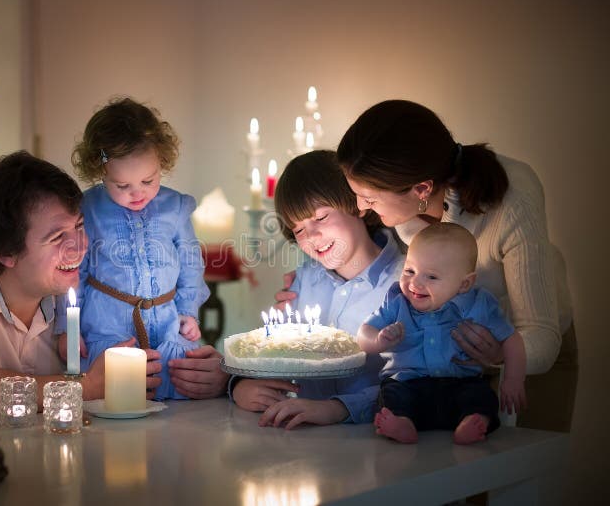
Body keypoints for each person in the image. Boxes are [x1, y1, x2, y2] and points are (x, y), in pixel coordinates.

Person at [337, 99, 576, 432]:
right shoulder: (401, 190)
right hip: (440, 364)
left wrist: (499, 355)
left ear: (422, 188)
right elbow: (365, 244)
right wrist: (323, 273)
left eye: (371, 199)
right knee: (444, 475)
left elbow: (541, 336)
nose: (361, 209)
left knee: (518, 467)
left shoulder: (513, 200)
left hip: (527, 354)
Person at [0, 151, 163, 421]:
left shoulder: (69, 292)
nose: (81, 247)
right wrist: (88, 386)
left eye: (80, 226)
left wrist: (200, 373)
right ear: (5, 251)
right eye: (58, 237)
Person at [231, 150, 405, 429]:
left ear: (356, 204)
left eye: (321, 218)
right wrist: (241, 385)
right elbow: (277, 360)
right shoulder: (303, 281)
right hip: (297, 444)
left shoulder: (406, 282)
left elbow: (415, 381)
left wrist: (338, 408)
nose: (311, 237)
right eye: (298, 230)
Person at [54, 97, 209, 401]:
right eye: (122, 186)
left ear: (161, 163)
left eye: (148, 181)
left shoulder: (174, 208)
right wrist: (67, 329)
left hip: (166, 321)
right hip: (109, 325)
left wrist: (189, 311)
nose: (137, 193)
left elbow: (191, 264)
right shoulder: (90, 209)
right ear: (101, 173)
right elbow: (75, 272)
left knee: (181, 390)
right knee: (115, 398)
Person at [358, 223, 526, 444]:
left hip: (460, 383)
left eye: (432, 277)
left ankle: (472, 422)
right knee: (392, 396)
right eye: (409, 271)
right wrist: (378, 341)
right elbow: (363, 333)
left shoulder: (478, 303)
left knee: (481, 397)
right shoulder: (397, 300)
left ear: (464, 283)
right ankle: (403, 423)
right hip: (408, 382)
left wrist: (513, 379)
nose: (415, 282)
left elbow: (511, 339)